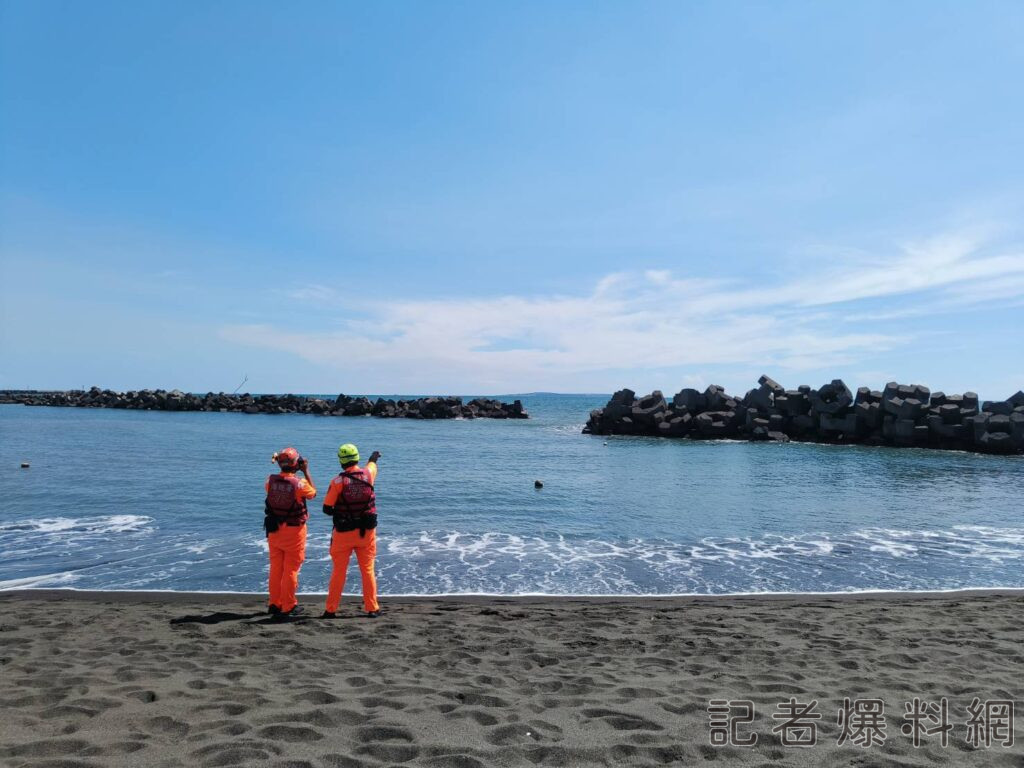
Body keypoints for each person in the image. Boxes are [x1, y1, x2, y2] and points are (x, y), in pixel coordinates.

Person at [322, 443, 382, 618]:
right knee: (367, 570)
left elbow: (327, 508)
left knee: (338, 572)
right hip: (366, 532)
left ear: (341, 461)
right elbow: (372, 464)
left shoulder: (337, 482)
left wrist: (343, 512)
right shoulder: (368, 474)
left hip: (343, 533)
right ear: (357, 458)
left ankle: (330, 610)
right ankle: (372, 608)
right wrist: (373, 457)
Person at [264, 447, 316, 618]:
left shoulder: (270, 481)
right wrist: (306, 470)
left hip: (274, 531)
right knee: (291, 570)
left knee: (276, 569)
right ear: (296, 464)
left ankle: (274, 603)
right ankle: (288, 606)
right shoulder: (299, 484)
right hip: (294, 532)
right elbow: (313, 493)